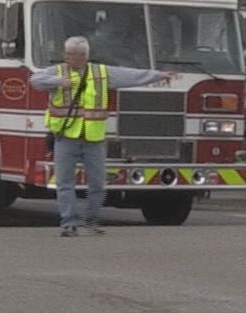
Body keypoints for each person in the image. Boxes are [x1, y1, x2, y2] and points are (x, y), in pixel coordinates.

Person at [29, 36, 167, 236]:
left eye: (78, 55)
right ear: (64, 55)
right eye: (69, 55)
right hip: (66, 136)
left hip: (93, 138)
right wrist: (60, 82)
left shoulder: (101, 73)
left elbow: (130, 76)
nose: (73, 59)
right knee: (65, 183)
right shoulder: (57, 72)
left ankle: (90, 221)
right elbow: (35, 80)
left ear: (85, 56)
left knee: (97, 183)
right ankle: (69, 223)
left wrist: (157, 75)